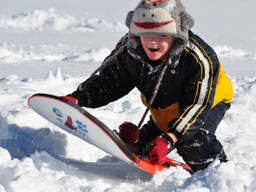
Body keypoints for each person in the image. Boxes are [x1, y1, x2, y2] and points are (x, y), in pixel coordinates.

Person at [62, 0, 234, 172]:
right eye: (147, 34)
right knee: (144, 147)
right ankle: (147, 147)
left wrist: (170, 139)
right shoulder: (131, 49)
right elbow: (110, 81)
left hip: (206, 102)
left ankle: (218, 172)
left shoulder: (197, 59)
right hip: (164, 108)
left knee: (192, 142)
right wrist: (80, 97)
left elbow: (197, 105)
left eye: (162, 36)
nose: (153, 42)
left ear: (176, 35)